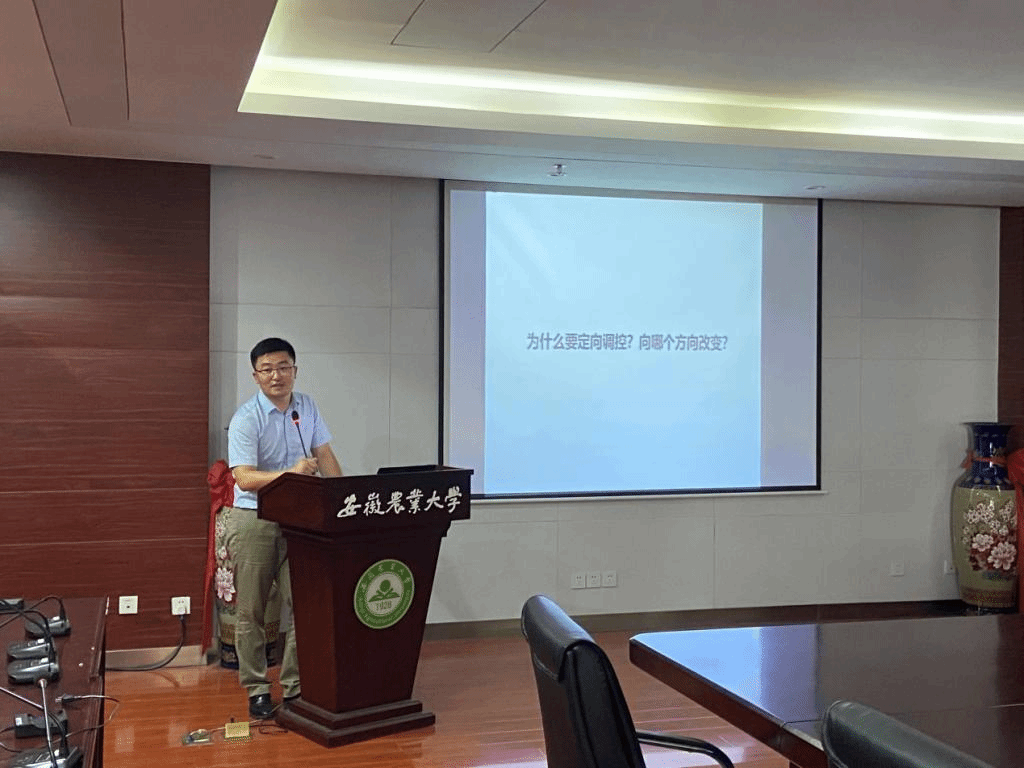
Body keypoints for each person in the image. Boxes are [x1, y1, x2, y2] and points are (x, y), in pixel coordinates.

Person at [225, 337, 342, 719]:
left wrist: (341, 497)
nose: (276, 376)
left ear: (295, 370)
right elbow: (244, 478)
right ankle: (257, 688)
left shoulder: (306, 407)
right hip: (255, 519)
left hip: (301, 519)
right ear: (256, 376)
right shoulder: (246, 418)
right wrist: (290, 474)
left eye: (283, 367)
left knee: (306, 606)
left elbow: (324, 454)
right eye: (267, 369)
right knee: (252, 611)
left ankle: (295, 686)